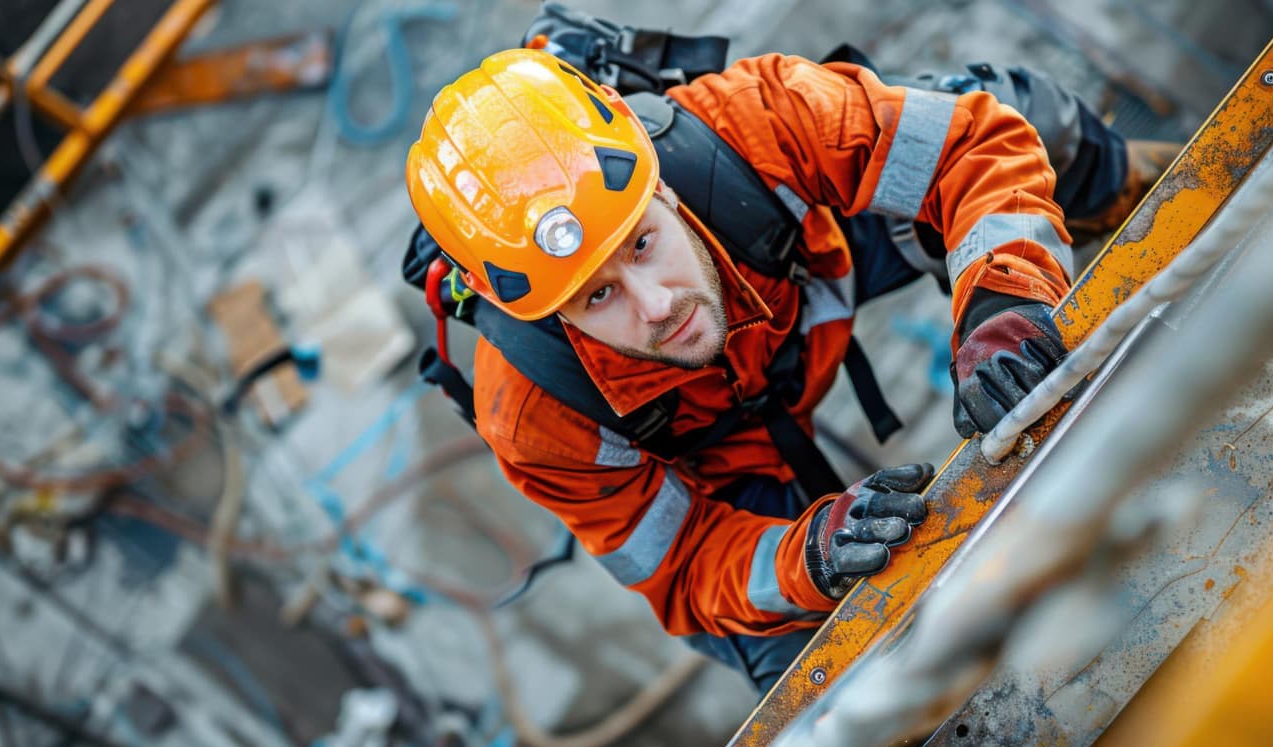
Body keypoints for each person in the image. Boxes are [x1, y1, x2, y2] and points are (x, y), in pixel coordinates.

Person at [405, 47, 1153, 691]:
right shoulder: (537, 412)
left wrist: (1005, 310)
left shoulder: (754, 123)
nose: (659, 304)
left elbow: (970, 145)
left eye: (640, 243)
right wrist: (809, 558)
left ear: (659, 181)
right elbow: (684, 565)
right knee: (816, 675)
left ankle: (1137, 182)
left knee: (1022, 115)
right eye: (598, 296)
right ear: (551, 316)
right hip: (719, 461)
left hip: (803, 263)